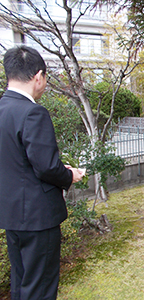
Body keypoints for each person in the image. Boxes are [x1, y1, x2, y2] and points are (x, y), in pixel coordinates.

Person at [0, 46, 84, 300]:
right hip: (37, 217)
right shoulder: (32, 112)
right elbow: (46, 166)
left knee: (21, 281)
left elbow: (17, 161)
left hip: (11, 214)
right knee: (40, 288)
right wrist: (69, 176)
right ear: (39, 76)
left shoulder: (3, 109)